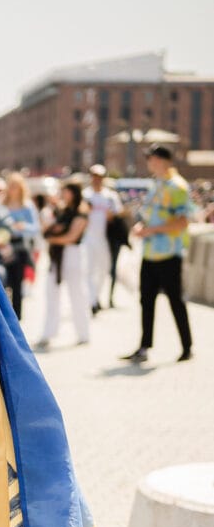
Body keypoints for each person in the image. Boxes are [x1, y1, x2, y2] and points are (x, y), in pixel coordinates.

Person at [121, 143, 193, 364]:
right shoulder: (157, 185)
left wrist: (151, 230)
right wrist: (140, 226)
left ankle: (187, 346)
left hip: (169, 254)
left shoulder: (177, 186)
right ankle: (144, 347)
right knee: (147, 300)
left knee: (175, 300)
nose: (149, 162)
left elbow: (182, 222)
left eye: (151, 158)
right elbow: (149, 215)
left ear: (162, 160)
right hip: (150, 253)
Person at [36, 181, 90, 349]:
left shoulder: (81, 209)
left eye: (66, 192)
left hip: (72, 254)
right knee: (51, 293)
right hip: (58, 256)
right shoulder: (63, 209)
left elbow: (72, 237)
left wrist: (52, 239)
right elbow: (50, 227)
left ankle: (83, 333)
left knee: (76, 294)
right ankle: (48, 332)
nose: (63, 195)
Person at [82, 164, 122, 314]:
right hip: (88, 238)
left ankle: (96, 296)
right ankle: (92, 301)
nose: (96, 179)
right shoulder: (85, 195)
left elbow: (118, 213)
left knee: (104, 269)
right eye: (94, 176)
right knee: (89, 270)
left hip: (105, 239)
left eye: (99, 176)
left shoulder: (110, 196)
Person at [0, 172, 39, 320]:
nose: (13, 189)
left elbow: (35, 228)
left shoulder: (27, 206)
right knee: (4, 281)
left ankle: (17, 316)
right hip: (4, 245)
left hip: (19, 245)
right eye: (11, 186)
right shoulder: (2, 203)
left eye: (16, 186)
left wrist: (23, 226)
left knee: (17, 282)